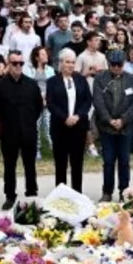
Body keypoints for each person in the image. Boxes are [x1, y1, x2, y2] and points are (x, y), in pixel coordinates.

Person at [0, 48, 44, 209]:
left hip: (28, 131)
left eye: (21, 63)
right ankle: (10, 196)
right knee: (9, 166)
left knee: (30, 165)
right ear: (8, 64)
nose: (18, 66)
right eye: (14, 63)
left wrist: (28, 122)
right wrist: (7, 123)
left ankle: (32, 193)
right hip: (9, 132)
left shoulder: (31, 84)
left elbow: (38, 107)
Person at [92, 49, 133, 201]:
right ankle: (107, 192)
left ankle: (125, 192)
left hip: (126, 127)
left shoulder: (132, 79)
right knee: (109, 161)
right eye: (114, 64)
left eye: (120, 64)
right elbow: (98, 102)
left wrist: (123, 120)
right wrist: (109, 120)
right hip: (107, 127)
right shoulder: (100, 79)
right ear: (109, 64)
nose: (117, 67)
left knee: (124, 161)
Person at [46, 50, 91, 193]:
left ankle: (77, 193)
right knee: (61, 164)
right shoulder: (53, 82)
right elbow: (51, 103)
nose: (71, 65)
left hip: (78, 128)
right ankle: (61, 195)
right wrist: (65, 118)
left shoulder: (81, 80)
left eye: (73, 62)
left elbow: (87, 101)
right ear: (60, 63)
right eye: (67, 62)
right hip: (60, 127)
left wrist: (77, 116)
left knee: (77, 163)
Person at [28, 45, 54, 160]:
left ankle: (56, 149)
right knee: (36, 127)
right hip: (34, 102)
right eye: (43, 54)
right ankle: (36, 150)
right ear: (37, 57)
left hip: (48, 102)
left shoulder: (50, 70)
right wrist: (40, 98)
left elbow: (53, 86)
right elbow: (29, 86)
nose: (46, 56)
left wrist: (46, 99)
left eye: (46, 54)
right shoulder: (29, 70)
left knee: (49, 127)